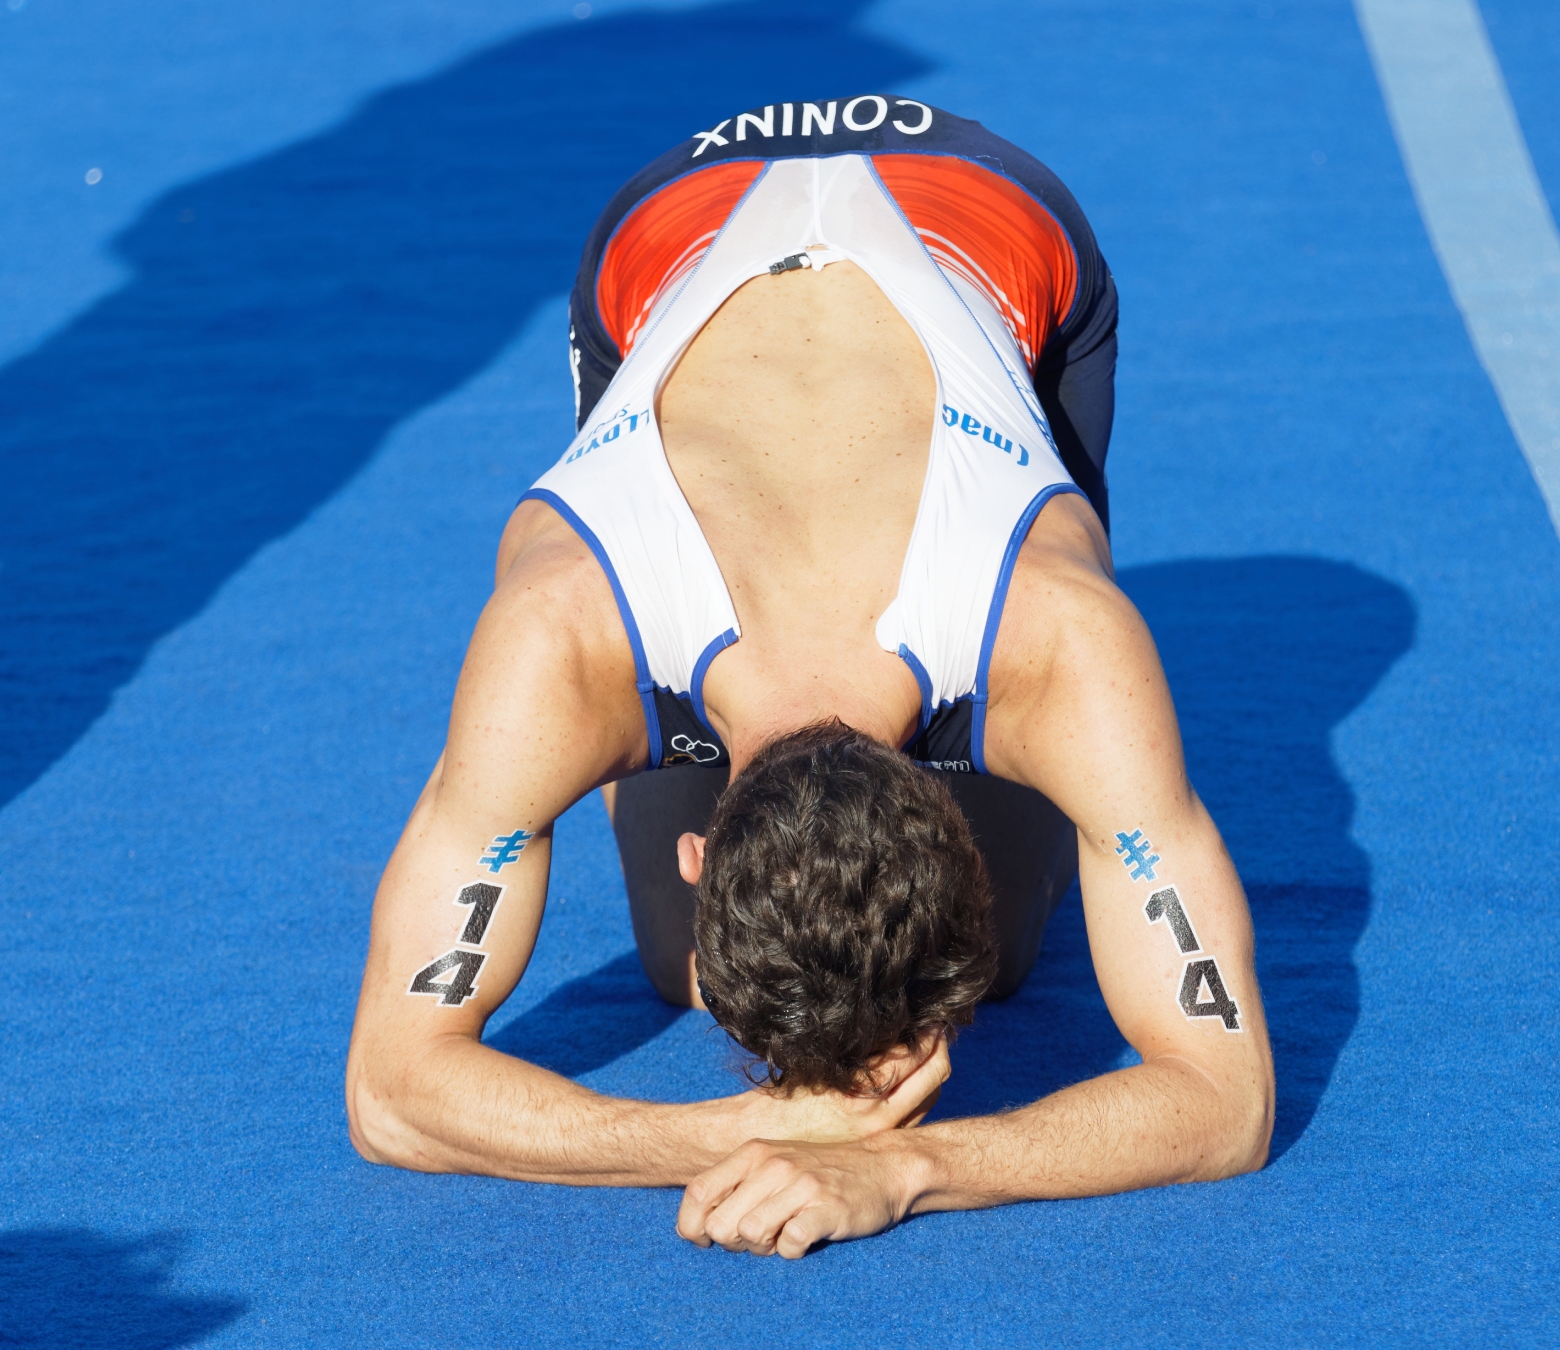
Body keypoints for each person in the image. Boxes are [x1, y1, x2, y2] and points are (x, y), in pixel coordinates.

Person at [343, 96, 1274, 1259]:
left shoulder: (1061, 643)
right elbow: (388, 1090)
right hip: (678, 219)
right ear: (700, 856)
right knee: (672, 971)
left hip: (999, 223)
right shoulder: (559, 638)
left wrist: (909, 1163)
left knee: (1015, 967)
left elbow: (1229, 1104)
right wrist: (723, 1130)